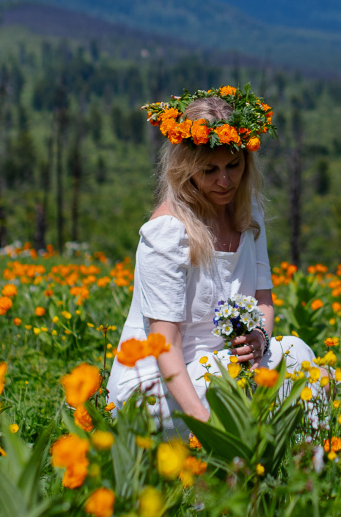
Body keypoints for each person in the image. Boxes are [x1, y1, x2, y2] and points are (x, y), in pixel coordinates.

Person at [106, 85, 318, 429]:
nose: (225, 180)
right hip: (160, 385)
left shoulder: (248, 216)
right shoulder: (167, 233)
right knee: (230, 391)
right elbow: (165, 347)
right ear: (185, 168)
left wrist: (258, 339)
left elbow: (263, 302)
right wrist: (202, 425)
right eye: (209, 171)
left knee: (298, 355)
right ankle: (239, 455)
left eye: (233, 166)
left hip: (221, 366)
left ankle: (311, 466)